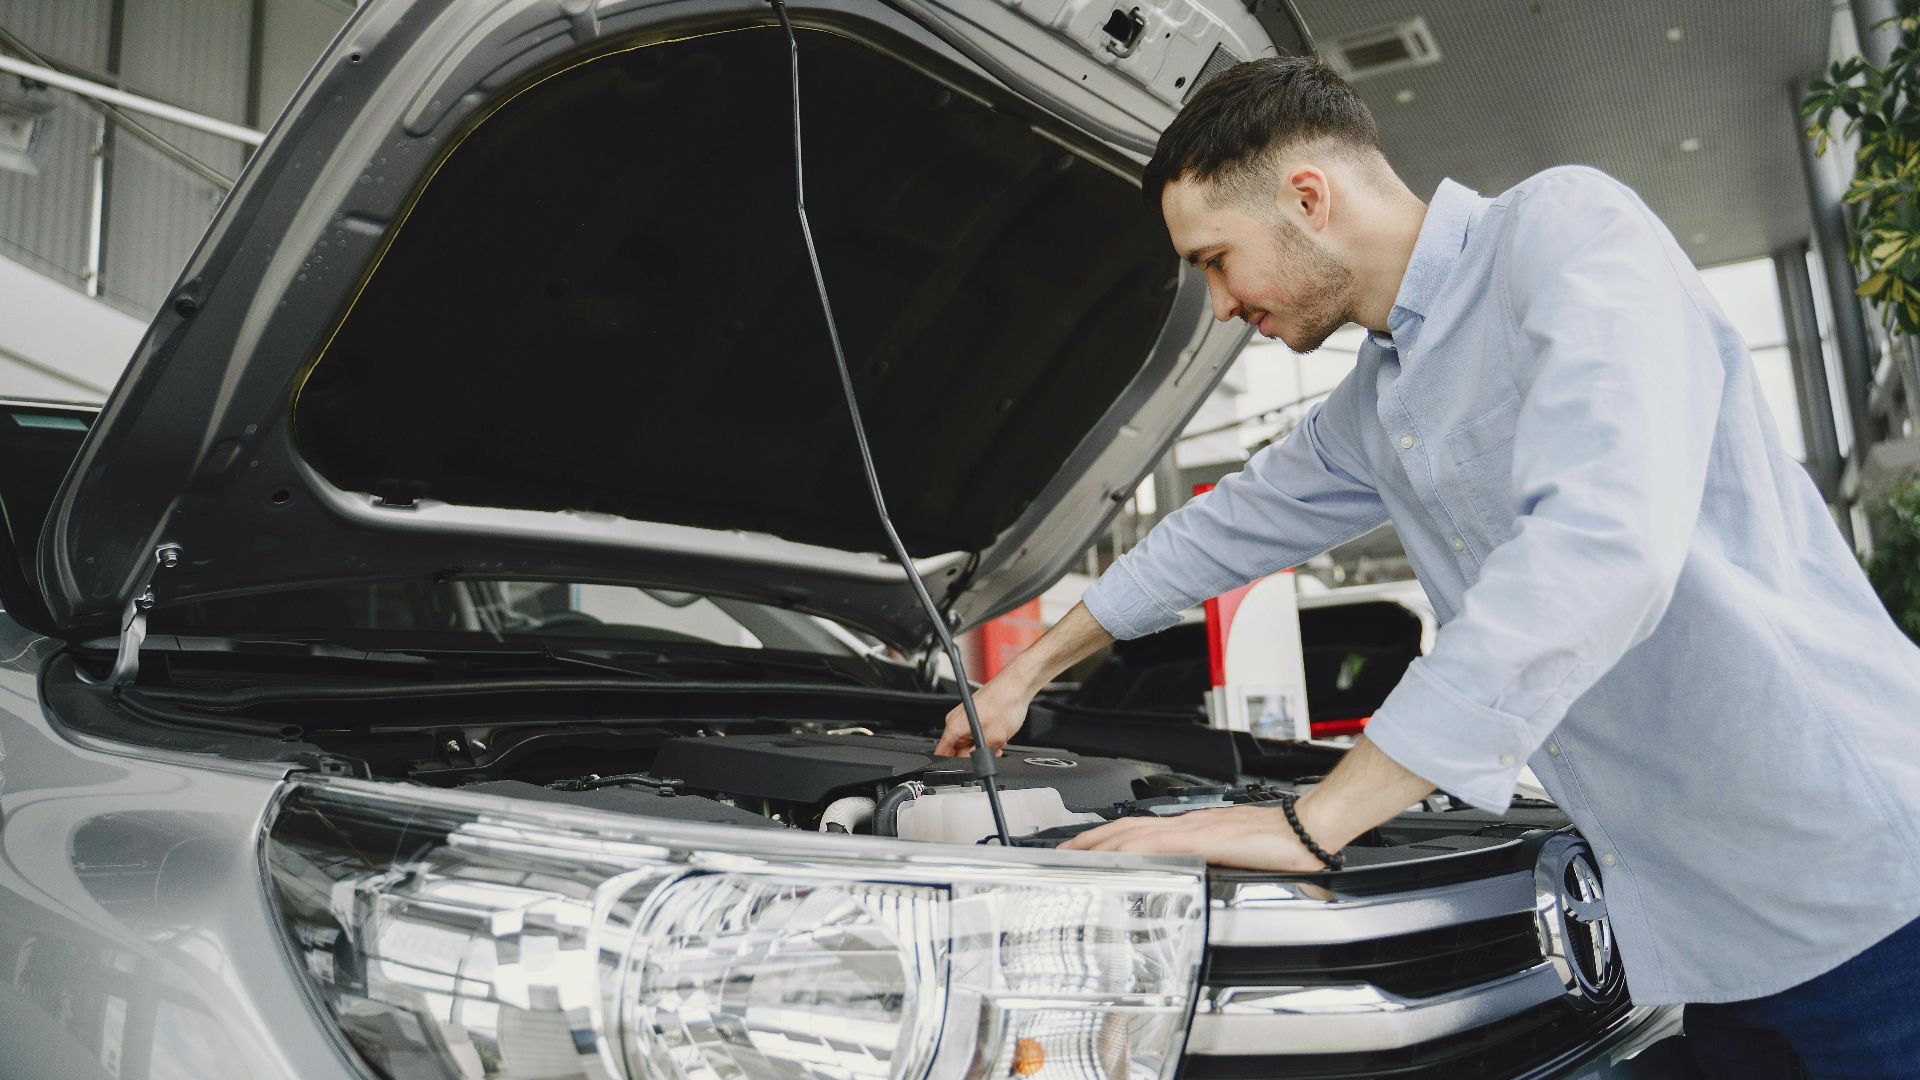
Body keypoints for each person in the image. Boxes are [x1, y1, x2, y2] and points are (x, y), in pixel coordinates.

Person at [931, 57, 1920, 1076]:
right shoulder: (1379, 399)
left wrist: (1311, 825)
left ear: (1307, 198)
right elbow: (1223, 529)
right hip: (1712, 943)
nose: (1219, 305)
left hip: (1869, 905)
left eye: (1218, 260)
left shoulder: (1567, 234)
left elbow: (1600, 554)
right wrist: (1028, 671)